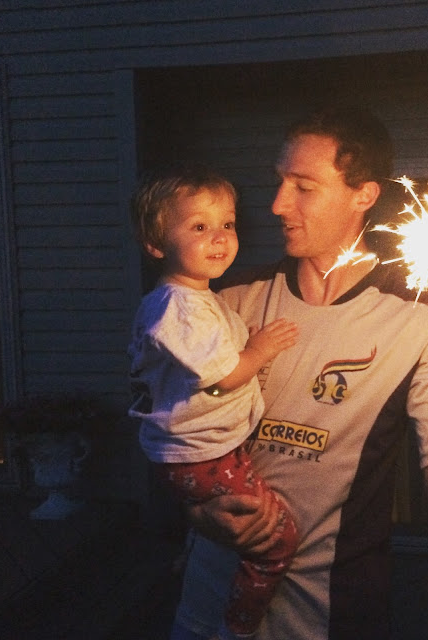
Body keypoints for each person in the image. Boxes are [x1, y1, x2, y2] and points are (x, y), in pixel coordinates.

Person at [170, 107, 428, 640]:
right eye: (280, 181)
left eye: (303, 187)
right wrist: (197, 512)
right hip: (204, 611)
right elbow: (169, 431)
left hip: (325, 618)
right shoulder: (228, 301)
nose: (278, 203)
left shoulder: (422, 323)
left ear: (363, 195)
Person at [127, 165, 300, 640]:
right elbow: (222, 379)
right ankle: (238, 626)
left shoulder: (199, 299)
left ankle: (192, 555)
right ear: (155, 244)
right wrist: (260, 350)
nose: (220, 237)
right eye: (199, 227)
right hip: (202, 455)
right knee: (276, 540)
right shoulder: (179, 306)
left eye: (227, 223)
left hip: (205, 450)